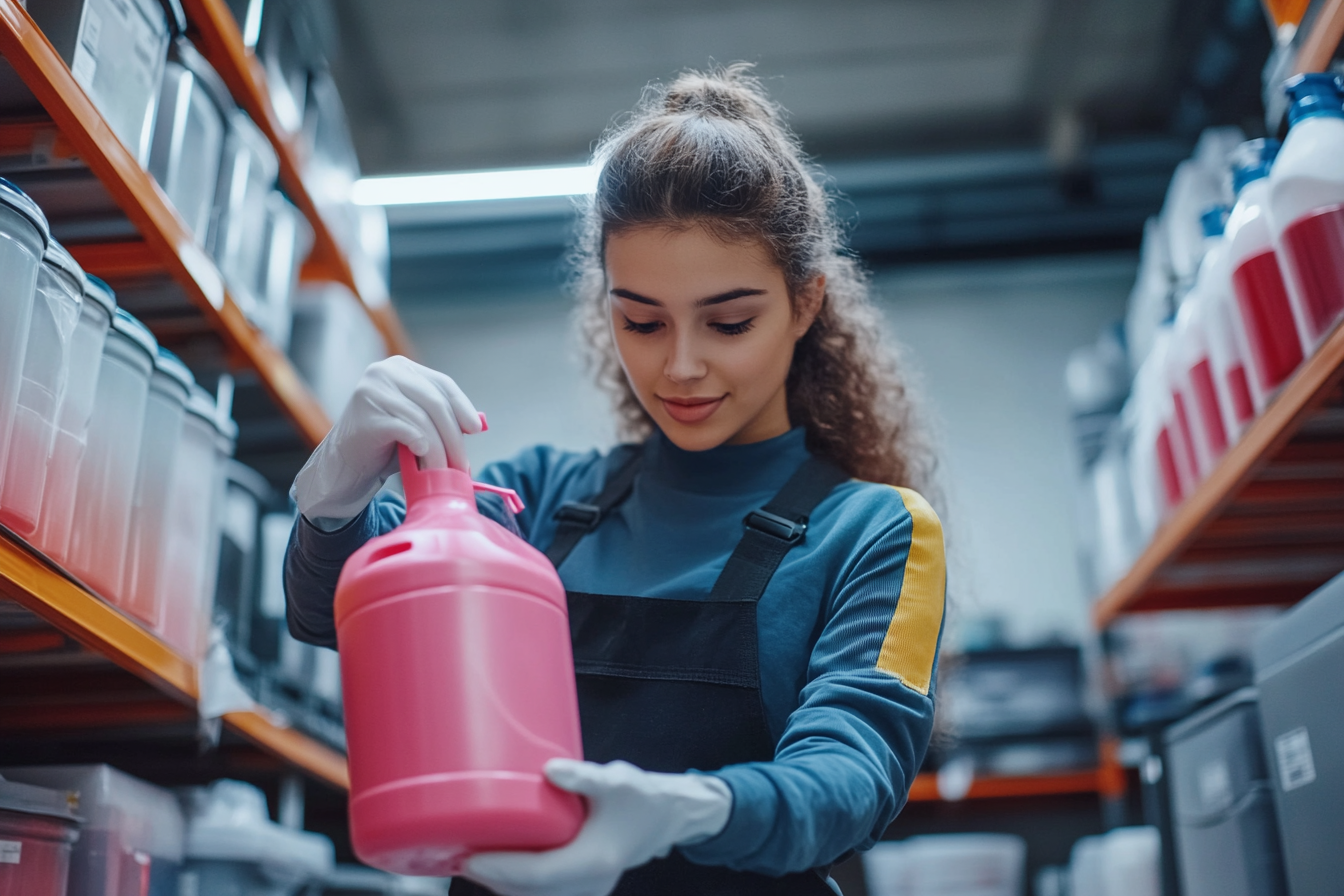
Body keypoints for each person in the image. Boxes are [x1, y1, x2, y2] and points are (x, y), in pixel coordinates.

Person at [285, 64, 946, 896]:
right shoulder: (537, 503)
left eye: (729, 322)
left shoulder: (877, 531)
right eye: (641, 320)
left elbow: (855, 776)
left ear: (806, 304)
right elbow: (331, 618)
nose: (680, 366)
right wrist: (332, 498)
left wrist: (692, 810)